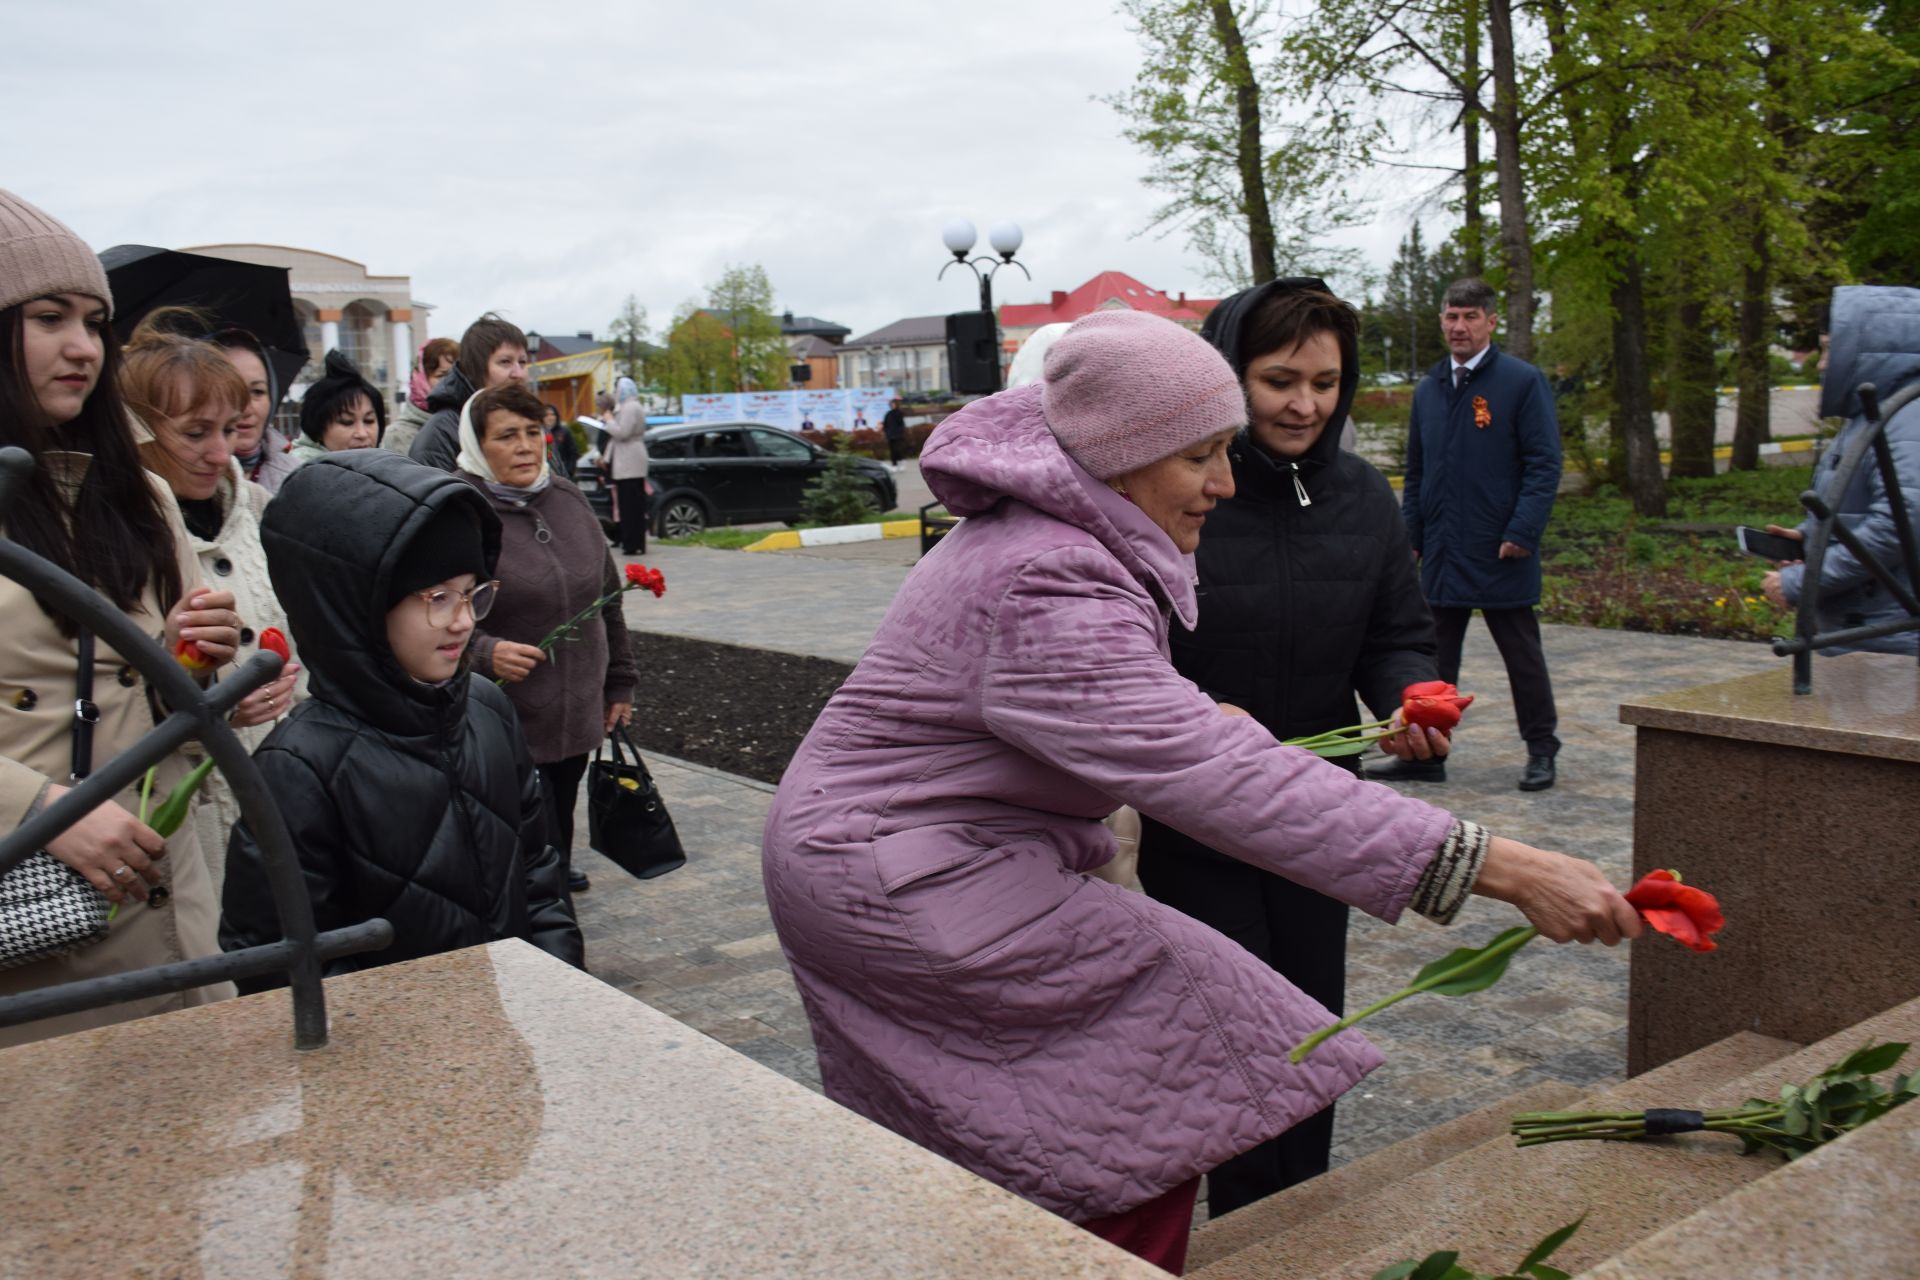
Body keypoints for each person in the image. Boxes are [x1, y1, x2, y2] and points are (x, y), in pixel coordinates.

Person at [761, 310, 1640, 1272]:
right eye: (1202, 456)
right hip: (907, 877)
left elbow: (1117, 720)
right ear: (1121, 456)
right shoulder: (1050, 572)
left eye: (1225, 451)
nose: (1225, 483)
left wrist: (1195, 719)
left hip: (892, 860)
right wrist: (1498, 866)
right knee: (1180, 1055)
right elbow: (1209, 776)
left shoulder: (1052, 539)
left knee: (1056, 1122)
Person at [1136, 279, 1444, 1217]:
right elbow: (1125, 647)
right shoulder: (1178, 492)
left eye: (1324, 381)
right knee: (1228, 1033)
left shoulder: (1364, 498)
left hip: (1318, 813)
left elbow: (1398, 631)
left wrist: (1409, 699)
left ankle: (1300, 1220)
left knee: (1313, 1027)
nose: (1304, 404)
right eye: (1278, 380)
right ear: (1229, 378)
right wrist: (1193, 716)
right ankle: (1234, 1228)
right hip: (1195, 814)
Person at [0, 189, 242, 1045]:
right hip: (38, 928)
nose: (82, 347)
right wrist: (37, 810)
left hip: (174, 898)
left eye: (95, 322)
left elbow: (174, 707)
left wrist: (203, 669)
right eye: (49, 317)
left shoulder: (137, 494)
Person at [220, 450, 584, 988]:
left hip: (517, 1020)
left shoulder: (485, 709)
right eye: (438, 597)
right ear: (358, 609)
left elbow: (538, 876)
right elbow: (279, 962)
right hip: (394, 1058)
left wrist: (562, 990)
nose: (462, 620)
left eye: (472, 594)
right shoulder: (298, 767)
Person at [122, 319, 303, 898]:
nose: (220, 451)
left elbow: (295, 633)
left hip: (283, 782)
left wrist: (292, 686)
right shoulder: (119, 538)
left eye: (228, 428)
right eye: (196, 432)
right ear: (138, 429)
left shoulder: (258, 507)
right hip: (192, 821)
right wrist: (215, 709)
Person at [455, 382, 636, 894]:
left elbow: (608, 597)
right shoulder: (458, 511)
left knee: (557, 820)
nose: (525, 446)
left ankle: (553, 904)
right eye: (507, 435)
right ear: (476, 443)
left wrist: (619, 683)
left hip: (575, 708)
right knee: (509, 849)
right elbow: (431, 610)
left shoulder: (567, 498)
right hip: (501, 716)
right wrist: (482, 652)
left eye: (533, 432)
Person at [1391, 277, 1563, 792]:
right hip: (1443, 548)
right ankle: (1426, 754)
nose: (1459, 326)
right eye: (1451, 316)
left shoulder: (1520, 382)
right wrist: (1411, 535)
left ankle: (1542, 750)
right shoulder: (1430, 389)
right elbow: (1416, 470)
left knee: (1522, 657)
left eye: (1469, 316)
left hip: (1500, 548)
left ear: (1491, 321)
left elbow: (1544, 463)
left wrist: (1522, 530)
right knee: (1433, 662)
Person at [1761, 286, 1920, 654]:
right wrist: (1811, 536)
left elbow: (1902, 523)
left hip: (1888, 642)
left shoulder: (1906, 421)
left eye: (1830, 349)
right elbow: (1869, 505)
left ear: (1871, 353)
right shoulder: (1874, 416)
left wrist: (1804, 580)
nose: (1821, 364)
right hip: (1870, 632)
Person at [408, 313, 531, 471]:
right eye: (505, 362)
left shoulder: (531, 420)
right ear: (475, 369)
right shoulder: (441, 433)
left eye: (522, 362)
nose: (518, 374)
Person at [210, 326, 301, 494]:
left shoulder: (298, 476)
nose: (246, 408)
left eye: (257, 392)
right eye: (232, 391)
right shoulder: (183, 480)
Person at [290, 350, 384, 464]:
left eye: (369, 421)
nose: (362, 434)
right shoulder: (300, 471)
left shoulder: (386, 464)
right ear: (318, 429)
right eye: (347, 422)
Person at [386, 336, 458, 458]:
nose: (451, 381)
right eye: (442, 375)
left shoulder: (471, 423)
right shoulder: (398, 434)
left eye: (456, 374)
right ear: (421, 378)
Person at [603, 376, 650, 554]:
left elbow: (622, 432)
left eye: (617, 390)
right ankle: (637, 542)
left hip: (629, 461)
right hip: (632, 459)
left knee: (630, 506)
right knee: (634, 505)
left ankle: (632, 543)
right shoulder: (634, 406)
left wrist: (608, 420)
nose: (616, 393)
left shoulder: (629, 407)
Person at [541, 400, 579, 481]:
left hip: (563, 474)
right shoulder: (539, 433)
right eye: (546, 415)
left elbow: (573, 453)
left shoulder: (564, 431)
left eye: (552, 414)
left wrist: (569, 471)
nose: (550, 417)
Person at [880, 395, 908, 468]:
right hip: (890, 435)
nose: (892, 405)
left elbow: (901, 425)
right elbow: (885, 424)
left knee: (897, 450)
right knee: (892, 451)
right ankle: (894, 465)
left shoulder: (899, 413)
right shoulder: (888, 414)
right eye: (891, 404)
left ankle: (902, 461)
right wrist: (886, 433)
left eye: (893, 404)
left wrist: (900, 433)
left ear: (896, 405)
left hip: (898, 435)